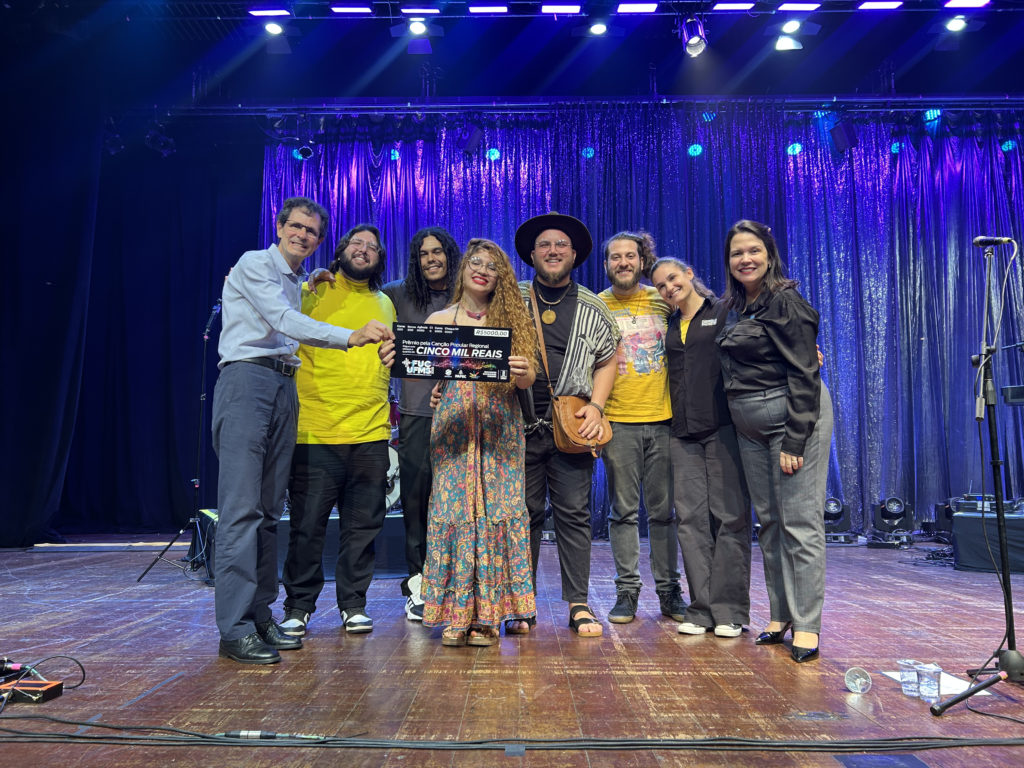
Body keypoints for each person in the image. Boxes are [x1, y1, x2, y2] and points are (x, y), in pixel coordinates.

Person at [212, 197, 392, 664]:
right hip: (248, 379)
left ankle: (259, 616)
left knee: (269, 512)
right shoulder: (255, 263)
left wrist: (309, 281)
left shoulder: (299, 282)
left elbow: (291, 314)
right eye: (296, 226)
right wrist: (349, 336)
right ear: (279, 226)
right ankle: (234, 628)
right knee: (241, 512)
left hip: (283, 385)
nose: (302, 235)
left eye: (311, 231)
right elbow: (284, 321)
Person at [379, 238, 537, 646]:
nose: (482, 270)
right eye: (476, 262)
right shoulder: (439, 319)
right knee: (454, 511)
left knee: (497, 511)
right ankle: (456, 612)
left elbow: (529, 378)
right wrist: (397, 359)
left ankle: (487, 617)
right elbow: (423, 369)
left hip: (500, 425)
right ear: (464, 267)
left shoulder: (512, 318)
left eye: (492, 266)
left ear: (501, 278)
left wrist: (523, 373)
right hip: (453, 424)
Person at [715, 219, 834, 663]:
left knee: (799, 523)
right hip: (748, 426)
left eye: (754, 251)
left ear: (769, 256)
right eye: (737, 253)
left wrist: (795, 441)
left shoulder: (787, 301)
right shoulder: (734, 307)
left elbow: (805, 373)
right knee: (769, 524)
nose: (745, 259)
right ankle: (780, 614)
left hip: (790, 420)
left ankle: (807, 625)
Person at [279, 225, 396, 638]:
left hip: (371, 433)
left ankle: (353, 604)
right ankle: (298, 607)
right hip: (315, 432)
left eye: (372, 247)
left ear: (379, 259)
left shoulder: (386, 303)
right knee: (307, 527)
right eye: (356, 243)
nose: (364, 250)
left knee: (362, 529)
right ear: (341, 250)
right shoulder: (310, 291)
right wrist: (309, 276)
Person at [513, 212, 619, 638]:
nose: (553, 251)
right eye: (544, 244)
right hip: (518, 424)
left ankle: (578, 603)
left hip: (572, 425)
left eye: (561, 245)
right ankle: (522, 604)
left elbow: (609, 358)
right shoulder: (512, 300)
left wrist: (597, 406)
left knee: (574, 515)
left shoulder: (593, 305)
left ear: (574, 255)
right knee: (523, 514)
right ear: (532, 255)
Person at [650, 257, 752, 639]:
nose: (669, 288)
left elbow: (757, 346)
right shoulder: (669, 324)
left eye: (673, 278)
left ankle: (730, 611)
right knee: (690, 521)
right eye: (661, 286)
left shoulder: (724, 311)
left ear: (689, 274)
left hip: (724, 428)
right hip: (682, 433)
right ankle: (701, 609)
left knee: (729, 518)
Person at [597, 232, 687, 624]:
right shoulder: (597, 305)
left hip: (664, 422)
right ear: (606, 264)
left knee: (664, 513)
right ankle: (627, 592)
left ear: (641, 261)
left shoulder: (662, 299)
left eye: (630, 256)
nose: (623, 263)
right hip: (618, 423)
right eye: (615, 257)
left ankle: (669, 591)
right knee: (623, 513)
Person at [382, 228, 462, 621]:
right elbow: (361, 293)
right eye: (423, 254)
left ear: (450, 254)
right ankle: (418, 581)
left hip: (463, 413)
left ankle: (458, 579)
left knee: (458, 501)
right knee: (416, 501)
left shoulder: (468, 293)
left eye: (437, 252)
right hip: (416, 414)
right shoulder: (398, 294)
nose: (431, 259)